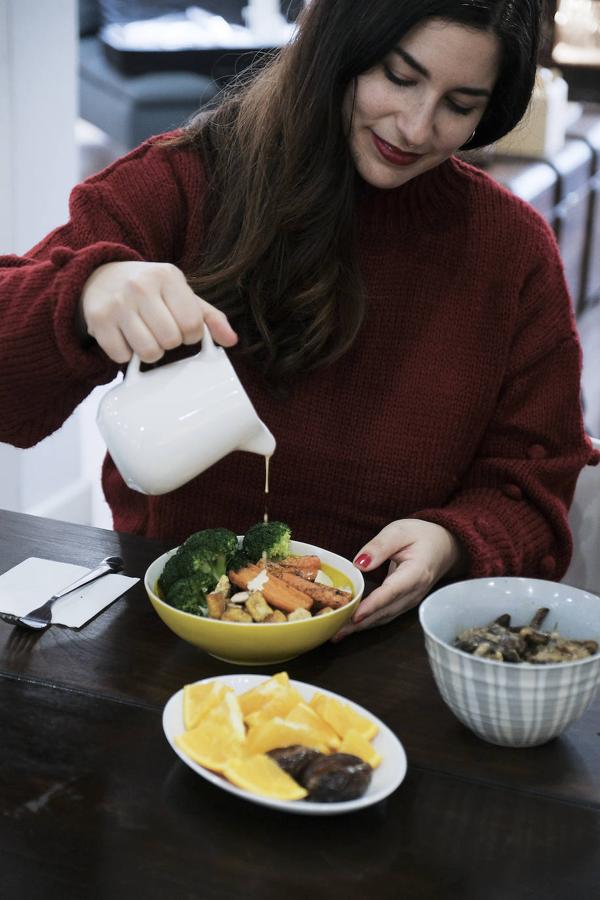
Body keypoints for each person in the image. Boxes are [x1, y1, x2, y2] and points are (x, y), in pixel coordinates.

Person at [0, 0, 597, 639]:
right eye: (399, 77)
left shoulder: (511, 251)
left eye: (460, 104)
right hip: (173, 631)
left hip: (388, 640)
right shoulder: (189, 179)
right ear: (336, 50)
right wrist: (87, 294)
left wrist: (454, 541)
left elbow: (535, 476)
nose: (417, 127)